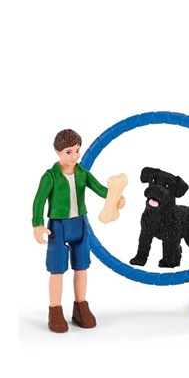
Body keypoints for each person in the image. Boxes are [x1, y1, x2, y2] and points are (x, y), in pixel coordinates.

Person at [32, 129, 124, 333]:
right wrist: (38, 224)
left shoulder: (82, 172)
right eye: (69, 152)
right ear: (58, 152)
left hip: (80, 223)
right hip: (58, 226)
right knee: (57, 269)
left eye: (77, 151)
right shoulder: (50, 176)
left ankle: (81, 306)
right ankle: (55, 310)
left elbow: (100, 189)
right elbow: (39, 201)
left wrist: (115, 198)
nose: (74, 156)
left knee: (81, 266)